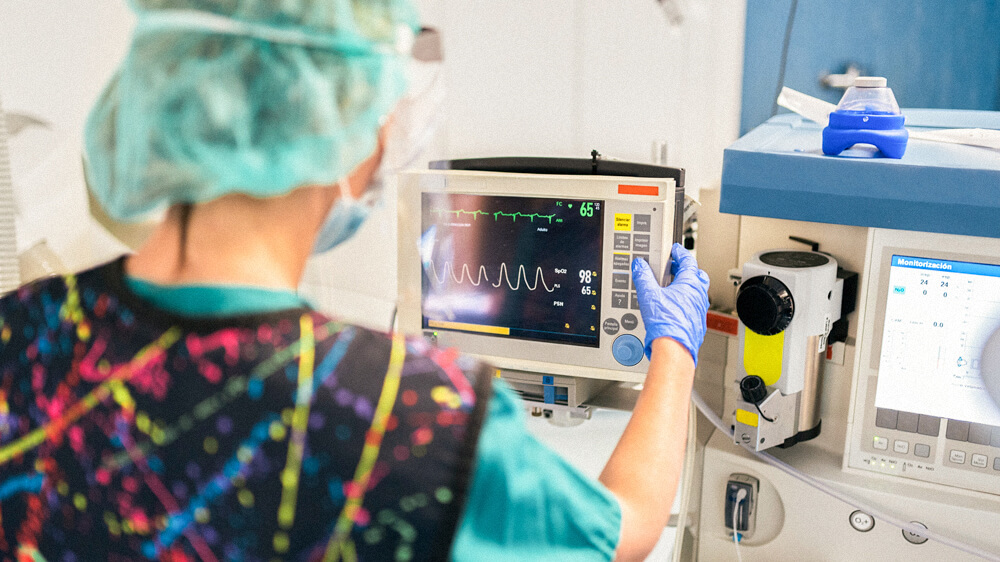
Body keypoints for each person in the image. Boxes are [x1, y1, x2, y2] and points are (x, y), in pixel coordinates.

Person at [0, 1, 710, 560]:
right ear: (347, 125)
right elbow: (624, 532)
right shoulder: (421, 416)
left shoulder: (20, 334)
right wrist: (673, 350)